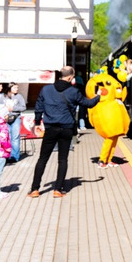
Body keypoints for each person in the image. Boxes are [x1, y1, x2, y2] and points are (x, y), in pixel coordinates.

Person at [28, 66, 102, 198]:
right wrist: (98, 96)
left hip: (50, 129)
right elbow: (88, 103)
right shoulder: (73, 91)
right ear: (70, 77)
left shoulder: (46, 89)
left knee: (43, 159)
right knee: (62, 160)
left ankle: (35, 189)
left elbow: (39, 106)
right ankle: (58, 189)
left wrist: (38, 123)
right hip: (66, 129)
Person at [6, 83, 26, 162]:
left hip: (16, 118)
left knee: (15, 137)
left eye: (17, 87)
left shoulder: (19, 96)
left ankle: (14, 156)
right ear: (10, 88)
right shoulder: (4, 96)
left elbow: (23, 107)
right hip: (6, 118)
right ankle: (8, 155)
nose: (17, 89)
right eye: (15, 87)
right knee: (8, 137)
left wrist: (13, 108)